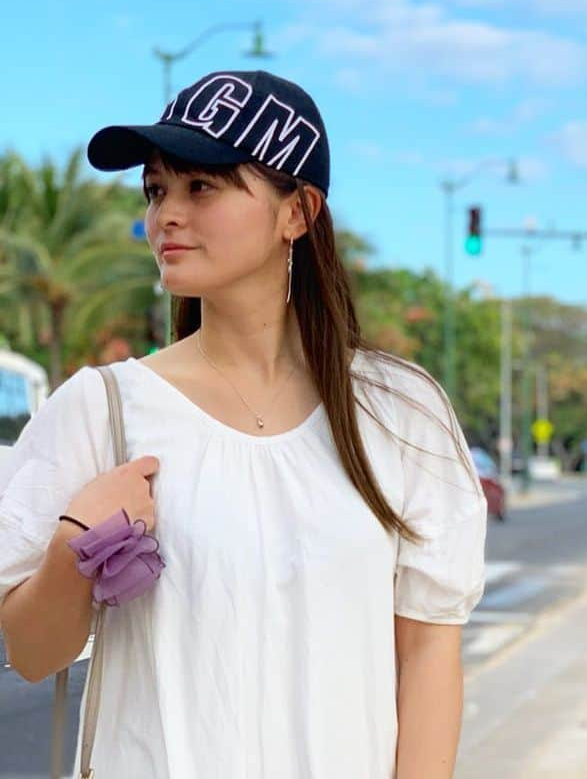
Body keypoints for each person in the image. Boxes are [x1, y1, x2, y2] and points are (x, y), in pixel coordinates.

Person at [0, 70, 487, 778]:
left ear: (298, 212)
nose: (166, 214)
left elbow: (428, 655)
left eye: (201, 187)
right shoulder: (99, 409)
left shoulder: (400, 412)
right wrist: (77, 543)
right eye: (156, 189)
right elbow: (32, 654)